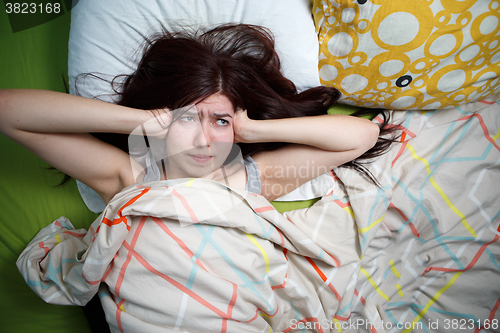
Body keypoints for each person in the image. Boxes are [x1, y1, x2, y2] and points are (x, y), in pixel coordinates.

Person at [0, 24, 395, 332]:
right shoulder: (133, 177)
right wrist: (139, 121)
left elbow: (361, 136)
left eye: (220, 121)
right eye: (187, 118)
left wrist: (254, 130)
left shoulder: (249, 180)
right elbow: (9, 111)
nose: (204, 138)